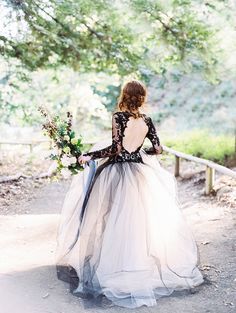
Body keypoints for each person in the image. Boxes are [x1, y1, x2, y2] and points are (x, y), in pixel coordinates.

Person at [55, 80, 204, 308]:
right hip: (139, 173)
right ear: (142, 97)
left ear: (124, 95)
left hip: (115, 173)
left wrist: (89, 155)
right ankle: (135, 263)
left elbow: (115, 149)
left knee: (110, 216)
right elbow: (158, 148)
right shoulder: (146, 120)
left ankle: (113, 264)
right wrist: (140, 151)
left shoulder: (118, 117)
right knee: (136, 219)